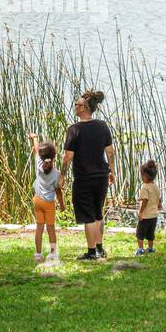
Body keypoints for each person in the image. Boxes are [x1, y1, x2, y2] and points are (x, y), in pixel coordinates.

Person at [60, 89, 114, 261]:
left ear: (83, 108)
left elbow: (68, 157)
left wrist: (61, 175)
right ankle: (100, 248)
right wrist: (111, 171)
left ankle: (91, 253)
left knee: (88, 216)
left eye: (77, 104)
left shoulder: (74, 130)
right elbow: (110, 152)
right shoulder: (102, 126)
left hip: (84, 178)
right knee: (98, 213)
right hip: (101, 176)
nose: (75, 106)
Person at [26, 132, 64, 264]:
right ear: (54, 158)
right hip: (49, 204)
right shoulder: (56, 174)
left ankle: (38, 254)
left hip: (37, 201)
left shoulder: (38, 164)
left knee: (39, 228)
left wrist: (34, 138)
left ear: (42, 157)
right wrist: (62, 205)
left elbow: (36, 150)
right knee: (51, 229)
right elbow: (58, 191)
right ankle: (53, 253)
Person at [135, 159, 161, 256]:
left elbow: (144, 201)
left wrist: (140, 212)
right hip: (154, 215)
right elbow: (159, 197)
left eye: (141, 175)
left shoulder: (145, 187)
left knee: (140, 233)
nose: (141, 177)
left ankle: (140, 249)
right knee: (150, 234)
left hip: (146, 215)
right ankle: (150, 248)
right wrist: (159, 205)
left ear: (145, 176)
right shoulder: (155, 186)